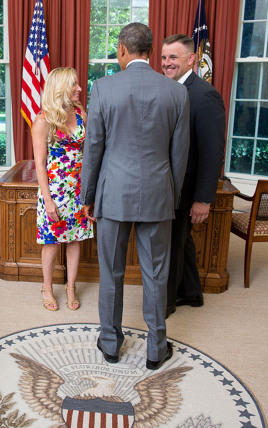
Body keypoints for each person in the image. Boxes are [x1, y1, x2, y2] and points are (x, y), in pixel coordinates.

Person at [80, 23, 190, 370]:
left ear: (122, 50)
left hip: (113, 195)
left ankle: (110, 344)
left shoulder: (104, 88)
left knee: (111, 271)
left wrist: (88, 194)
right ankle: (156, 348)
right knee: (156, 274)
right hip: (158, 195)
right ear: (150, 51)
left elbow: (93, 147)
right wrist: (170, 196)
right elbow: (180, 154)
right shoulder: (175, 92)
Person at [160, 34, 226, 316]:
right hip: (167, 182)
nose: (166, 63)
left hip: (187, 186)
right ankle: (191, 293)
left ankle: (166, 303)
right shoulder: (164, 89)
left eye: (173, 57)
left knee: (172, 243)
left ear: (191, 59)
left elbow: (213, 152)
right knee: (181, 240)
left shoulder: (205, 94)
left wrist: (203, 199)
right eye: (163, 58)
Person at [32, 67, 94, 312]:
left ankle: (71, 287)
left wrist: (90, 191)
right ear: (60, 89)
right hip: (54, 191)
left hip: (78, 190)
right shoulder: (43, 120)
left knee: (75, 239)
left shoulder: (81, 114)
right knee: (51, 241)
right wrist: (48, 200)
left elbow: (89, 153)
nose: (79, 89)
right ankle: (47, 287)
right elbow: (39, 164)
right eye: (74, 85)